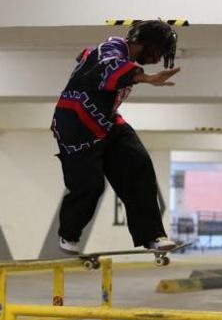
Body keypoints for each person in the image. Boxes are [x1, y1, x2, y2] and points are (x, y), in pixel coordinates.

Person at [51, 20, 182, 254]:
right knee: (90, 185)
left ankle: (152, 236)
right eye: (158, 52)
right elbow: (106, 67)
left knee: (138, 164)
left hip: (106, 122)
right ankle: (68, 234)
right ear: (145, 44)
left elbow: (87, 58)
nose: (158, 59)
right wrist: (147, 78)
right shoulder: (111, 48)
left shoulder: (123, 58)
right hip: (76, 123)